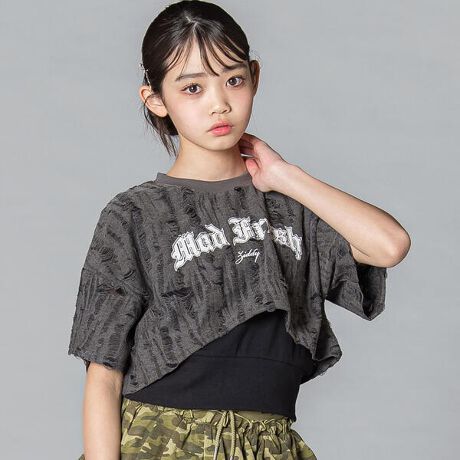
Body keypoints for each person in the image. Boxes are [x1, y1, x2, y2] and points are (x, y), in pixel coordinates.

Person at [68, 1, 411, 458]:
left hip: (269, 442)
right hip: (162, 439)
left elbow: (389, 245)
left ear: (254, 77)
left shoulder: (291, 208)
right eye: (192, 88)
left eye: (233, 80)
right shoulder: (134, 215)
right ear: (156, 99)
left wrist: (285, 176)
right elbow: (103, 372)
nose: (220, 103)